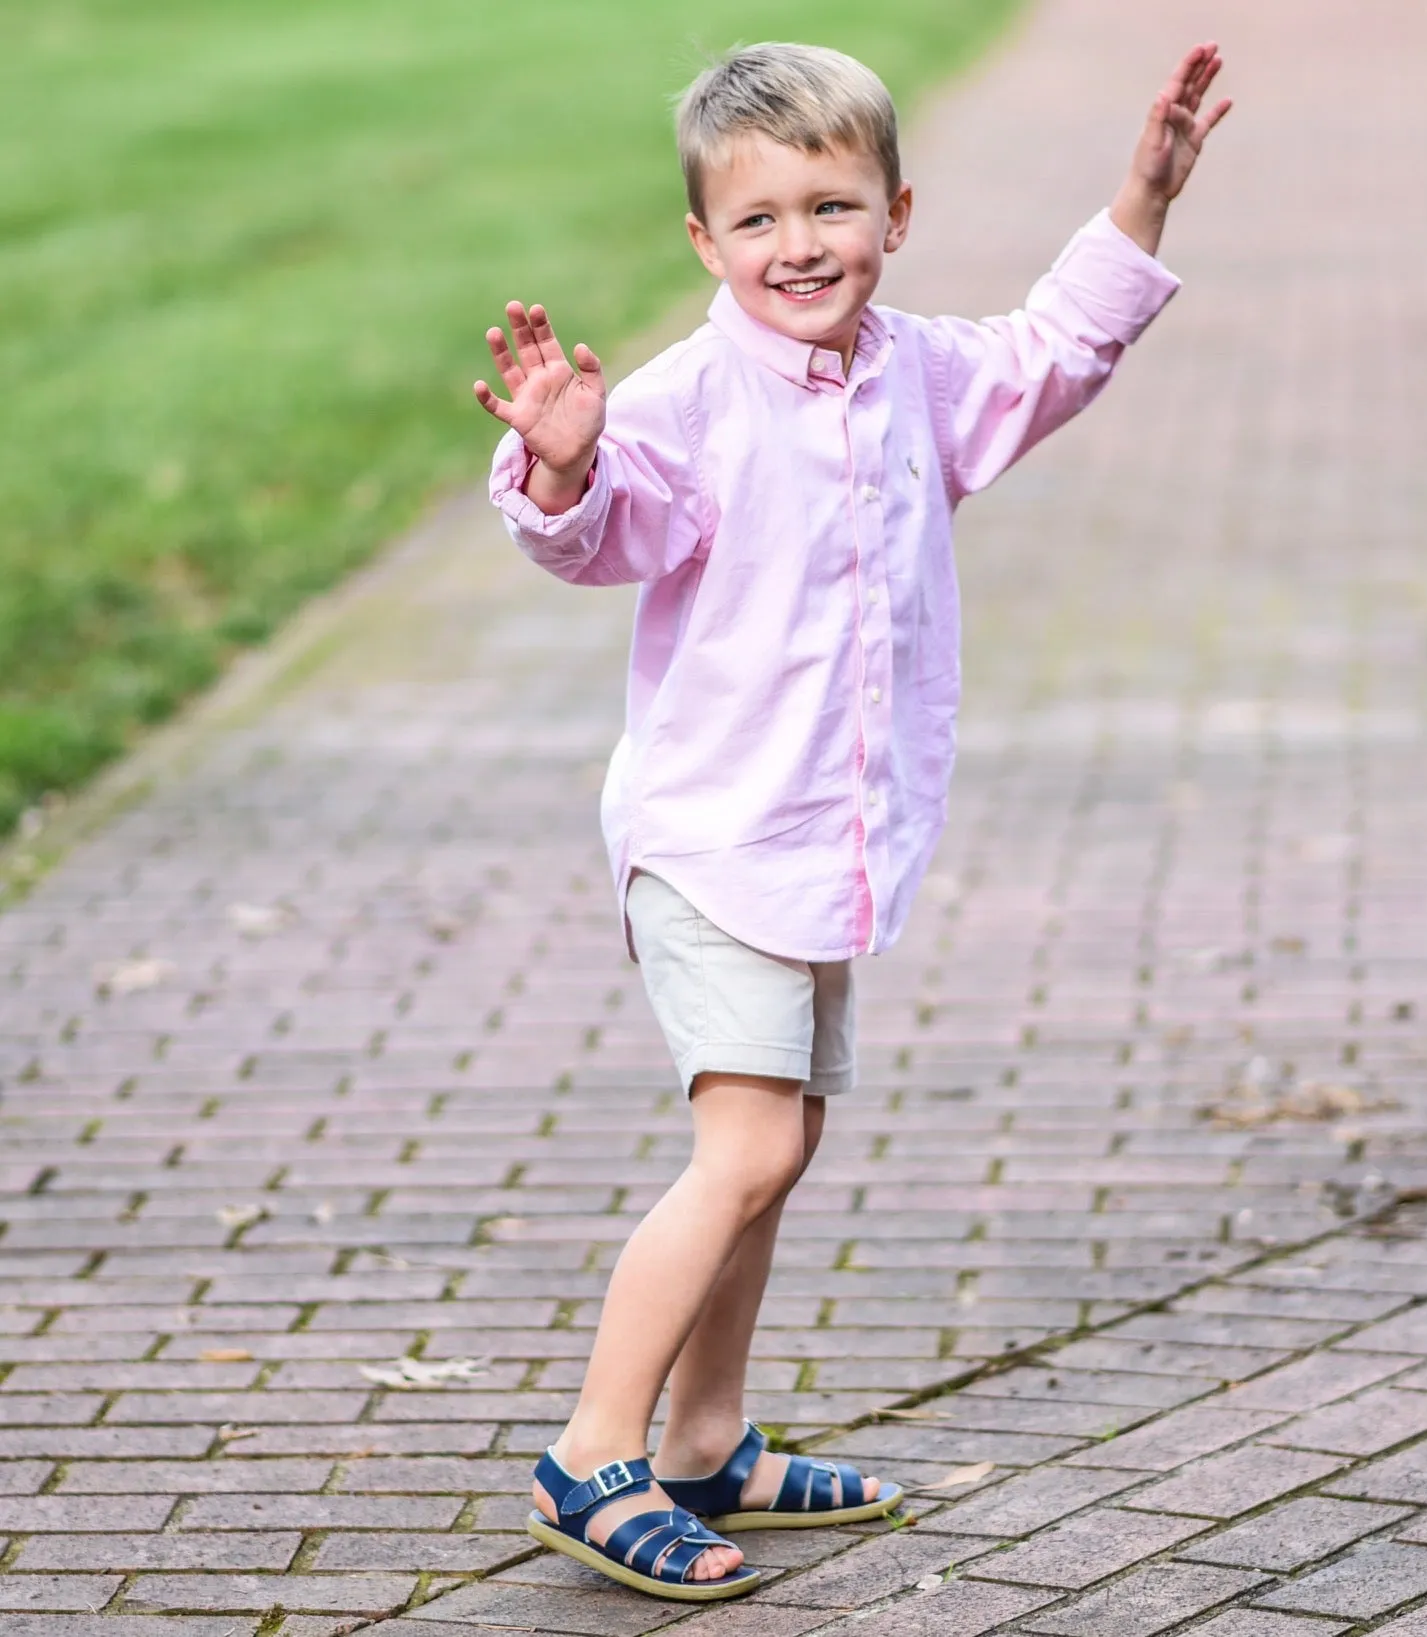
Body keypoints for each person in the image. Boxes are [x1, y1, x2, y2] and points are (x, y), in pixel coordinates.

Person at [474, 37, 1230, 1602]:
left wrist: (1141, 198)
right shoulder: (684, 402)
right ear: (702, 242)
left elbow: (1050, 353)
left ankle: (707, 1437)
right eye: (757, 221)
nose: (798, 245)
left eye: (832, 207)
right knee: (742, 1148)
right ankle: (591, 1450)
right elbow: (606, 530)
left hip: (827, 838)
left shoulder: (916, 376)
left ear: (897, 209)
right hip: (713, 838)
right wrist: (562, 469)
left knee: (784, 1144)